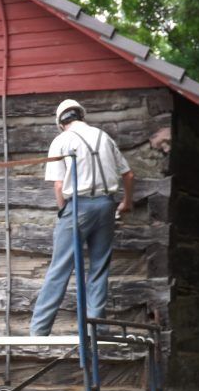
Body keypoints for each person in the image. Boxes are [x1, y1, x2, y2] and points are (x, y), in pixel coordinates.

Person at [30, 99, 135, 336]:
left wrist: (63, 211)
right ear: (81, 116)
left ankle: (39, 329)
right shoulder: (104, 137)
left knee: (60, 267)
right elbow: (128, 175)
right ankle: (95, 329)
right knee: (99, 267)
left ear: (61, 122)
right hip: (107, 205)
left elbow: (59, 185)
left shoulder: (61, 141)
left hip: (78, 206)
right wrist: (126, 202)